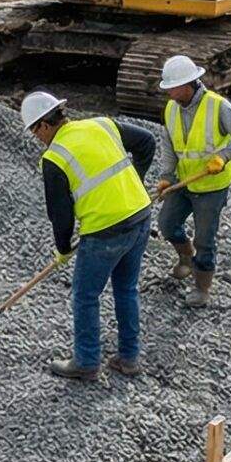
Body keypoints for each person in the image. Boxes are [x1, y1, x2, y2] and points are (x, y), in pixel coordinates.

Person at [23, 90, 160, 382]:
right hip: (140, 216)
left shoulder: (54, 159)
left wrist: (62, 248)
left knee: (85, 296)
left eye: (35, 131)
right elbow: (147, 142)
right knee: (126, 289)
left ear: (44, 125)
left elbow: (60, 214)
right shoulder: (101, 124)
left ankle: (86, 362)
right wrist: (136, 182)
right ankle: (129, 358)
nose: (37, 138)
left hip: (105, 232)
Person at [154, 54, 231, 307]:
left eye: (172, 88)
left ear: (187, 85)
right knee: (167, 224)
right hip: (184, 181)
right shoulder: (171, 108)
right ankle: (186, 258)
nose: (168, 93)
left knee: (205, 240)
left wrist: (224, 157)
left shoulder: (217, 106)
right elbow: (169, 144)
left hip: (211, 187)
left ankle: (201, 287)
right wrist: (167, 175)